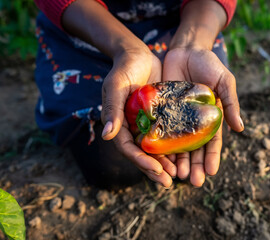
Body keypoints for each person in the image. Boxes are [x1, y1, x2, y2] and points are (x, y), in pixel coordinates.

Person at [33, 0, 244, 189]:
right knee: (111, 165)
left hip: (186, 22)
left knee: (207, 129)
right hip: (84, 27)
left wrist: (193, 43)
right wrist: (127, 50)